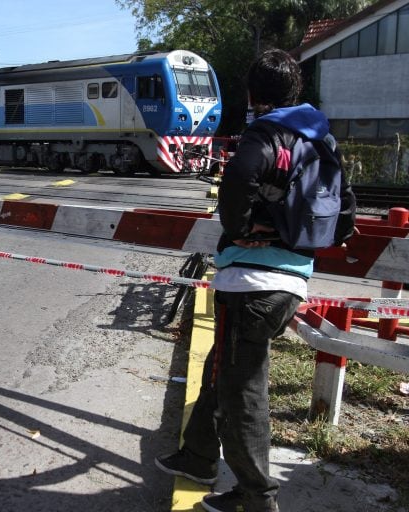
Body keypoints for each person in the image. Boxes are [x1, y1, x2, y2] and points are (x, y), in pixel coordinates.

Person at [154, 49, 356, 512]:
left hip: (252, 283)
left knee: (243, 389)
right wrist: (300, 238)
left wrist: (246, 229)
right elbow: (345, 212)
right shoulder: (322, 139)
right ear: (295, 91)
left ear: (251, 93)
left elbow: (236, 188)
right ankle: (199, 457)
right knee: (223, 370)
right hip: (290, 280)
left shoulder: (264, 135)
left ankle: (256, 496)